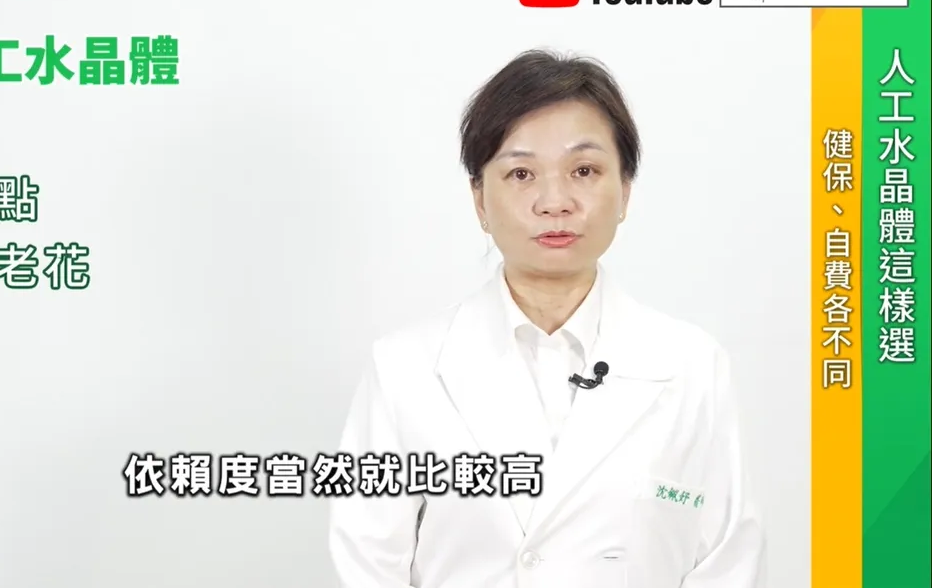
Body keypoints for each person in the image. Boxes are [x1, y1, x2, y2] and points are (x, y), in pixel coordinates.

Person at [328, 49, 765, 587]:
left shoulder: (693, 365)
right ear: (480, 200)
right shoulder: (404, 367)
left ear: (625, 191)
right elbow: (368, 565)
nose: (555, 201)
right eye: (521, 173)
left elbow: (729, 563)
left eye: (584, 171)